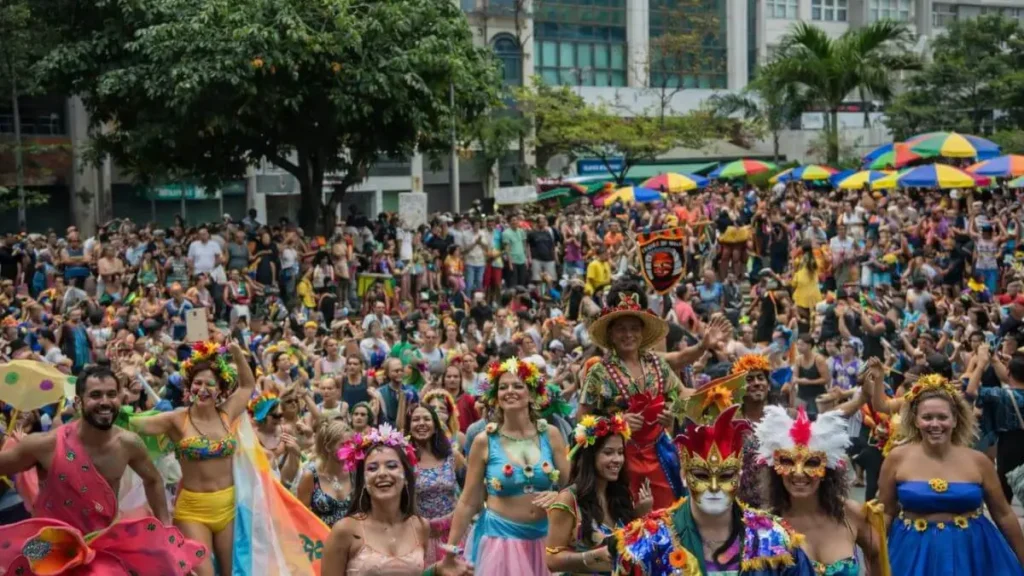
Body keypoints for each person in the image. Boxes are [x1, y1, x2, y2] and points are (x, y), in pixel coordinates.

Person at [0, 365, 206, 575]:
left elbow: (153, 479)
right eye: (96, 395)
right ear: (79, 402)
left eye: (111, 394)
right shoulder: (45, 445)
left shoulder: (128, 443)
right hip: (48, 548)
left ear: (120, 398)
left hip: (101, 547)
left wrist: (164, 529)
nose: (105, 402)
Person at [612, 405, 815, 576]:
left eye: (726, 476)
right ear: (684, 476)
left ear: (739, 476)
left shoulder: (773, 539)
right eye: (701, 475)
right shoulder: (648, 542)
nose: (715, 487)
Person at [131, 341, 256, 576]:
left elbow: (248, 385)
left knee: (233, 573)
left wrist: (238, 353)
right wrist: (127, 398)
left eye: (210, 383)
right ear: (189, 387)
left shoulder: (227, 413)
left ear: (220, 389)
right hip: (193, 511)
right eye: (197, 383)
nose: (203, 388)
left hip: (228, 507)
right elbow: (134, 425)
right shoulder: (176, 420)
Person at [878, 373, 1024, 574]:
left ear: (955, 419)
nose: (935, 424)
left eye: (942, 417)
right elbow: (885, 513)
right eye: (927, 417)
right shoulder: (896, 458)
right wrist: (873, 557)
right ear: (916, 420)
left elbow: (1004, 514)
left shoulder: (979, 461)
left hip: (973, 554)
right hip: (910, 553)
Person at [443, 357, 571, 576]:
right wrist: (451, 551)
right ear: (496, 397)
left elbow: (574, 485)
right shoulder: (484, 441)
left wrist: (559, 496)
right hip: (501, 542)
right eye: (503, 387)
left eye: (517, 386)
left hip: (547, 540)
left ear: (531, 395)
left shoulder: (551, 434)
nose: (509, 391)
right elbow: (468, 501)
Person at [581, 282, 685, 509]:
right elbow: (581, 422)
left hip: (660, 457)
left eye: (634, 328)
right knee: (626, 524)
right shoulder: (599, 372)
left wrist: (671, 414)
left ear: (642, 332)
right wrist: (616, 423)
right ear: (610, 333)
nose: (628, 334)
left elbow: (681, 395)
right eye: (621, 328)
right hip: (618, 462)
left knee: (668, 518)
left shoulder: (657, 364)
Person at [321, 423, 473, 575]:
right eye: (372, 468)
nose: (382, 473)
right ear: (364, 482)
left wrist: (436, 570)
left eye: (392, 466)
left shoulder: (420, 526)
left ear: (406, 476)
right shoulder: (345, 530)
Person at [754, 406, 885, 576]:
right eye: (788, 461)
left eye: (812, 463)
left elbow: (876, 554)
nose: (799, 473)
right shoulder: (767, 527)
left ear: (827, 470)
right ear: (776, 470)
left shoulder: (850, 513)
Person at [545, 414, 649, 575]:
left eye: (620, 452)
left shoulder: (618, 496)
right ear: (590, 457)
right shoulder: (568, 499)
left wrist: (640, 515)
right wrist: (591, 557)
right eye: (608, 453)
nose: (617, 460)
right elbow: (551, 560)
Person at [407, 404, 465, 563]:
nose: (421, 423)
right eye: (415, 419)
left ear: (435, 427)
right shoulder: (404, 460)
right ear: (409, 427)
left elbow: (468, 492)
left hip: (455, 533)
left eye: (426, 419)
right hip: (423, 536)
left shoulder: (452, 456)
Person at [296, 418, 353, 526]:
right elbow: (300, 518)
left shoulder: (354, 472)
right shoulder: (310, 475)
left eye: (351, 444)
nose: (350, 448)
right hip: (322, 539)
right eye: (343, 445)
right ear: (328, 447)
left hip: (351, 539)